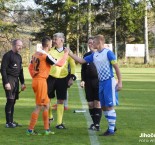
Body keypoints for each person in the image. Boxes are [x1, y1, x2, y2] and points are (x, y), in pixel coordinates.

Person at [68, 34, 122, 136]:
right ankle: (112, 126)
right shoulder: (95, 55)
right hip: (101, 82)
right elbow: (81, 61)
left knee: (109, 106)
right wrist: (69, 53)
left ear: (100, 42)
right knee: (104, 107)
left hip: (109, 82)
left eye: (94, 42)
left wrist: (120, 82)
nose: (92, 44)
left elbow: (116, 67)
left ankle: (111, 130)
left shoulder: (108, 53)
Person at [27, 36, 69, 135]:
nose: (52, 45)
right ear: (48, 45)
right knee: (39, 106)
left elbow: (30, 67)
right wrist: (66, 53)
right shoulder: (46, 55)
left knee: (46, 105)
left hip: (37, 81)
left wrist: (34, 76)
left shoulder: (35, 54)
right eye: (51, 44)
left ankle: (47, 130)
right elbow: (60, 64)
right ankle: (30, 129)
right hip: (41, 81)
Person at [47, 32, 76, 129]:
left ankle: (59, 123)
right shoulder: (50, 51)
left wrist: (72, 77)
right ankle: (50, 116)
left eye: (56, 39)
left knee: (60, 100)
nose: (54, 41)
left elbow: (72, 65)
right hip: (50, 77)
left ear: (62, 40)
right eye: (53, 39)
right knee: (47, 99)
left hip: (63, 78)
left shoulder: (68, 52)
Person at [1, 39, 26, 128]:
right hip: (9, 79)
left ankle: (11, 121)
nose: (21, 47)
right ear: (14, 45)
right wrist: (6, 82)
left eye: (21, 45)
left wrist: (23, 83)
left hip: (16, 80)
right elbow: (3, 69)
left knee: (14, 101)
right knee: (10, 100)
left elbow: (21, 71)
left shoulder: (19, 57)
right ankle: (8, 123)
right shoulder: (7, 56)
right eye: (19, 45)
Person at [81, 36, 102, 131]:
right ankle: (94, 123)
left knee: (97, 103)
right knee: (90, 104)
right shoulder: (86, 55)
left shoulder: (101, 54)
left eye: (92, 43)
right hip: (88, 82)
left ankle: (97, 125)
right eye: (89, 43)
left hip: (98, 81)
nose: (90, 44)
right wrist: (82, 80)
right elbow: (83, 69)